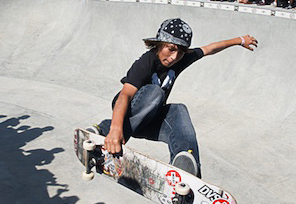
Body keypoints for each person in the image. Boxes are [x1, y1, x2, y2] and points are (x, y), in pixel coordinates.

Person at [89, 19, 258, 178]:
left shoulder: (180, 58)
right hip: (127, 115)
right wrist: (115, 128)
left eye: (181, 52)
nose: (174, 57)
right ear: (159, 44)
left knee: (179, 109)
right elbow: (125, 95)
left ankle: (186, 167)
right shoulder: (147, 61)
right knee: (155, 93)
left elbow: (209, 49)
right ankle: (102, 133)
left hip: (149, 123)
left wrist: (240, 40)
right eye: (170, 49)